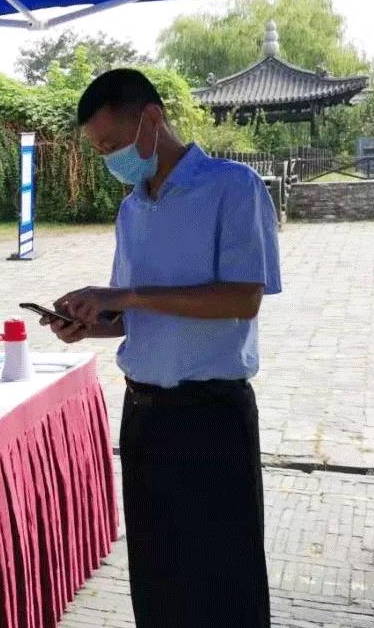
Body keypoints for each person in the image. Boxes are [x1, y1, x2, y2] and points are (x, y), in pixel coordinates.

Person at [45, 69, 280, 628]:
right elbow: (135, 316)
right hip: (144, 415)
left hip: (211, 415)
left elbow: (242, 299)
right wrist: (91, 325)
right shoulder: (133, 208)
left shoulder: (232, 187)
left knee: (224, 578)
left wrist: (124, 296)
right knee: (158, 575)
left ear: (151, 118)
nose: (110, 159)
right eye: (100, 150)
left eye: (112, 144)